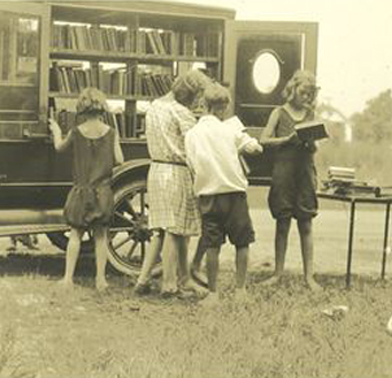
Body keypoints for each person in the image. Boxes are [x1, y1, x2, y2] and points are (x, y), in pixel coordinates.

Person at [134, 70, 211, 296]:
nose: (198, 101)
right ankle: (169, 284)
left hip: (156, 169)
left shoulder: (154, 106)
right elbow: (195, 145)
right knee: (175, 230)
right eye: (197, 96)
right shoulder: (181, 113)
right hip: (176, 171)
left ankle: (143, 279)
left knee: (160, 229)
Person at [185, 83, 263, 305]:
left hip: (208, 195)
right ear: (224, 108)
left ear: (204, 104)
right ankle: (240, 291)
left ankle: (212, 294)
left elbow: (191, 163)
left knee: (212, 245)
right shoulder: (231, 129)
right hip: (234, 194)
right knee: (242, 242)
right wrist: (245, 143)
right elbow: (255, 148)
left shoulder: (192, 134)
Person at [48, 87, 124, 291]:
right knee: (101, 237)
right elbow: (120, 160)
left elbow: (59, 148)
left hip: (82, 191)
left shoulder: (76, 132)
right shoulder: (111, 133)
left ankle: (68, 279)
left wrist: (56, 132)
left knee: (75, 235)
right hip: (103, 191)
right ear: (102, 108)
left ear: (82, 108)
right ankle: (101, 279)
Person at [259, 69, 323, 291]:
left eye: (310, 94)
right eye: (303, 93)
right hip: (284, 173)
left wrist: (311, 142)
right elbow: (263, 140)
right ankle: (277, 273)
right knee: (282, 223)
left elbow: (315, 149)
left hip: (304, 173)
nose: (306, 98)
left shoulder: (311, 115)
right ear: (292, 89)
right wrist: (286, 139)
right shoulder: (278, 112)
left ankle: (309, 277)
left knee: (306, 223)